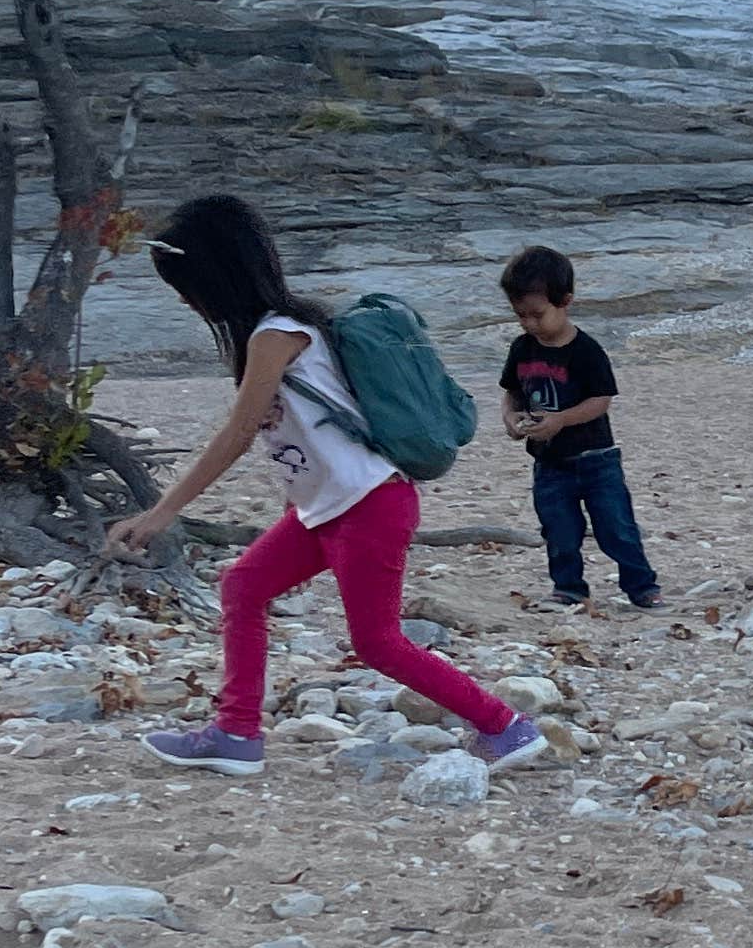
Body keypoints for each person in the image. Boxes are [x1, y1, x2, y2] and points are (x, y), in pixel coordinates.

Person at [105, 193, 546, 778]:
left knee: (378, 642)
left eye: (184, 286)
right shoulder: (288, 330)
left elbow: (237, 433)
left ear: (214, 278)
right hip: (325, 510)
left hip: (369, 506)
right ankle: (236, 733)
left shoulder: (276, 334)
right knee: (243, 586)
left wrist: (160, 513)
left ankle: (505, 726)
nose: (184, 300)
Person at [499, 243, 660, 610]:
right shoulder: (522, 349)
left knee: (617, 528)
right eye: (520, 315)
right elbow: (511, 391)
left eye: (537, 315)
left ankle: (642, 586)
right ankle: (569, 588)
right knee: (558, 530)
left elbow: (601, 401)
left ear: (565, 300)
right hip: (549, 463)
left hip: (596, 460)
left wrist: (559, 420)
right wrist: (510, 419)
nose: (528, 323)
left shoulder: (586, 350)